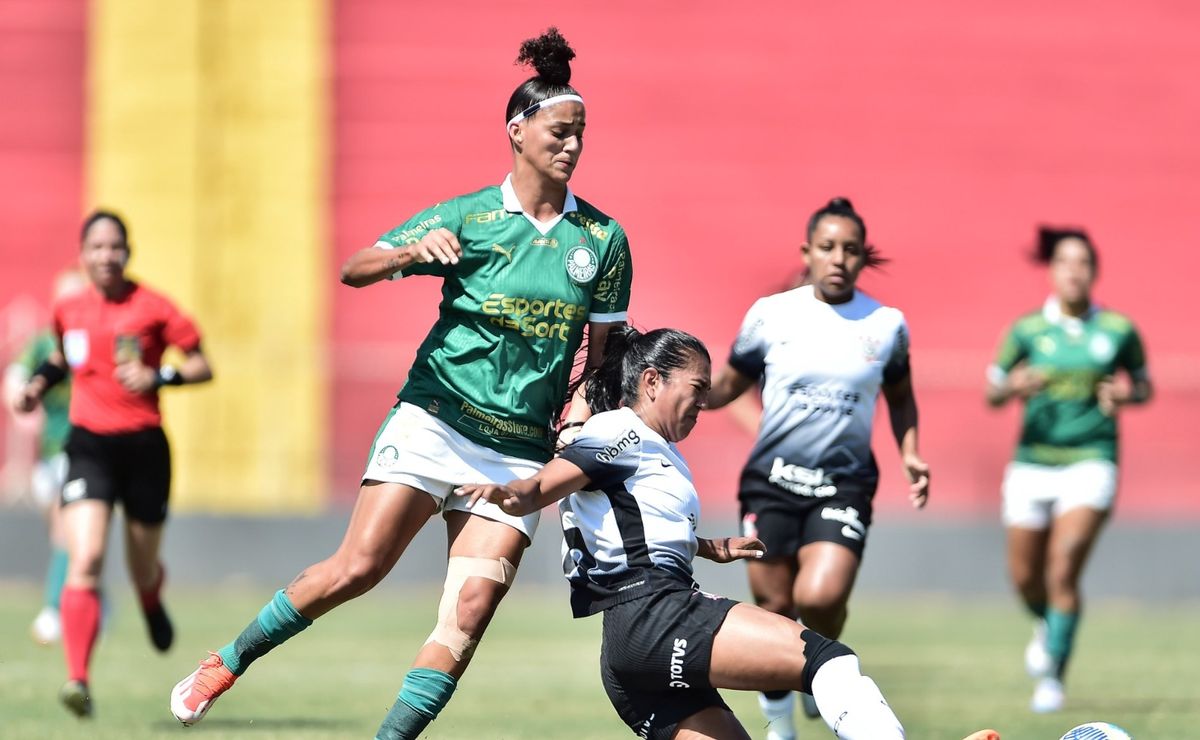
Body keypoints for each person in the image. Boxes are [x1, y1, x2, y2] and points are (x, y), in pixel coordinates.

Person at [169, 28, 633, 740]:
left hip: (516, 453)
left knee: (468, 616)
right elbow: (356, 267)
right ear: (517, 131)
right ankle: (227, 661)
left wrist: (575, 416)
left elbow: (602, 358)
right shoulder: (467, 217)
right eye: (559, 132)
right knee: (358, 568)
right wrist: (410, 254)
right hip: (436, 421)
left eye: (581, 135)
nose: (572, 146)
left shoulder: (601, 240)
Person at [462, 327, 993, 740]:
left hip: (626, 653)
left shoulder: (630, 444)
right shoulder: (625, 432)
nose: (703, 404)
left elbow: (623, 525)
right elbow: (546, 486)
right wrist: (515, 493)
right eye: (696, 389)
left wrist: (706, 547)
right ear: (652, 382)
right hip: (657, 614)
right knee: (829, 663)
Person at [703, 197, 929, 740]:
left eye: (851, 250)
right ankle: (779, 721)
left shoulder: (886, 325)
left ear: (862, 258)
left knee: (822, 599)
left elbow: (900, 397)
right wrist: (671, 394)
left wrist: (911, 453)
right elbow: (728, 387)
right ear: (806, 252)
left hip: (843, 483)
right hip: (772, 481)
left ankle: (822, 672)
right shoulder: (771, 314)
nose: (838, 259)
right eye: (827, 247)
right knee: (776, 607)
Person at [13, 211, 214, 717]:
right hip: (88, 448)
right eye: (97, 247)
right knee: (85, 559)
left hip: (144, 449)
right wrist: (36, 385)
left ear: (128, 252)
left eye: (115, 247)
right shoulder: (70, 308)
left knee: (140, 565)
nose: (106, 256)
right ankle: (77, 678)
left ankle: (150, 597)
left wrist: (160, 375)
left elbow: (201, 363)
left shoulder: (153, 307)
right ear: (83, 254)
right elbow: (61, 357)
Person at [986, 227, 1151, 713]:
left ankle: (1053, 676)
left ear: (1094, 272)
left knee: (1064, 564)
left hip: (1092, 459)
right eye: (1065, 262)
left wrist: (1128, 394)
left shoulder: (1118, 330)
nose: (1074, 271)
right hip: (1032, 462)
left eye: (1083, 263)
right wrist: (1013, 384)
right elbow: (993, 390)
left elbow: (1143, 385)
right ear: (1053, 270)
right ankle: (1048, 622)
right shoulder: (1027, 330)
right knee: (1024, 577)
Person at [5, 270, 87, 646]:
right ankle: (89, 597)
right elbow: (16, 378)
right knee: (63, 535)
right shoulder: (43, 344)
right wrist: (21, 398)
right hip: (49, 455)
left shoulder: (93, 340)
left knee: (64, 531)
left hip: (84, 452)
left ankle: (54, 610)